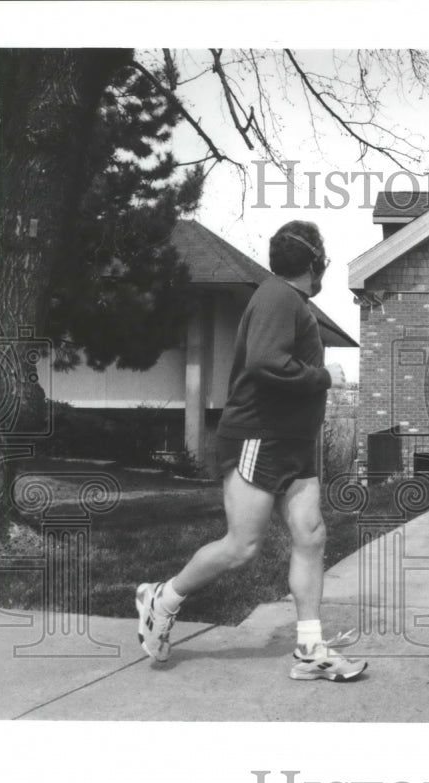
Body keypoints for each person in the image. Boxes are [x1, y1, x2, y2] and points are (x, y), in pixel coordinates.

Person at [135, 221, 366, 682]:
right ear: (316, 261)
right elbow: (264, 363)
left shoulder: (289, 301)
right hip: (259, 437)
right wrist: (325, 376)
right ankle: (161, 599)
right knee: (242, 546)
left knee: (311, 534)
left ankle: (310, 649)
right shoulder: (278, 297)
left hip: (293, 443)